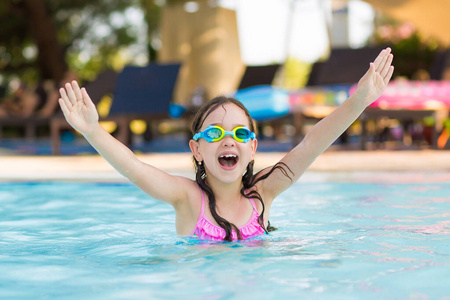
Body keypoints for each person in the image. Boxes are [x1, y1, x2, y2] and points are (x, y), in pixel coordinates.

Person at [58, 48, 394, 242]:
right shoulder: (188, 199)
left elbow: (311, 144)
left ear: (252, 149)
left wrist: (358, 101)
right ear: (196, 150)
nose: (228, 140)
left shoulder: (263, 194)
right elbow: (135, 169)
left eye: (240, 134)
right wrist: (92, 131)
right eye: (215, 134)